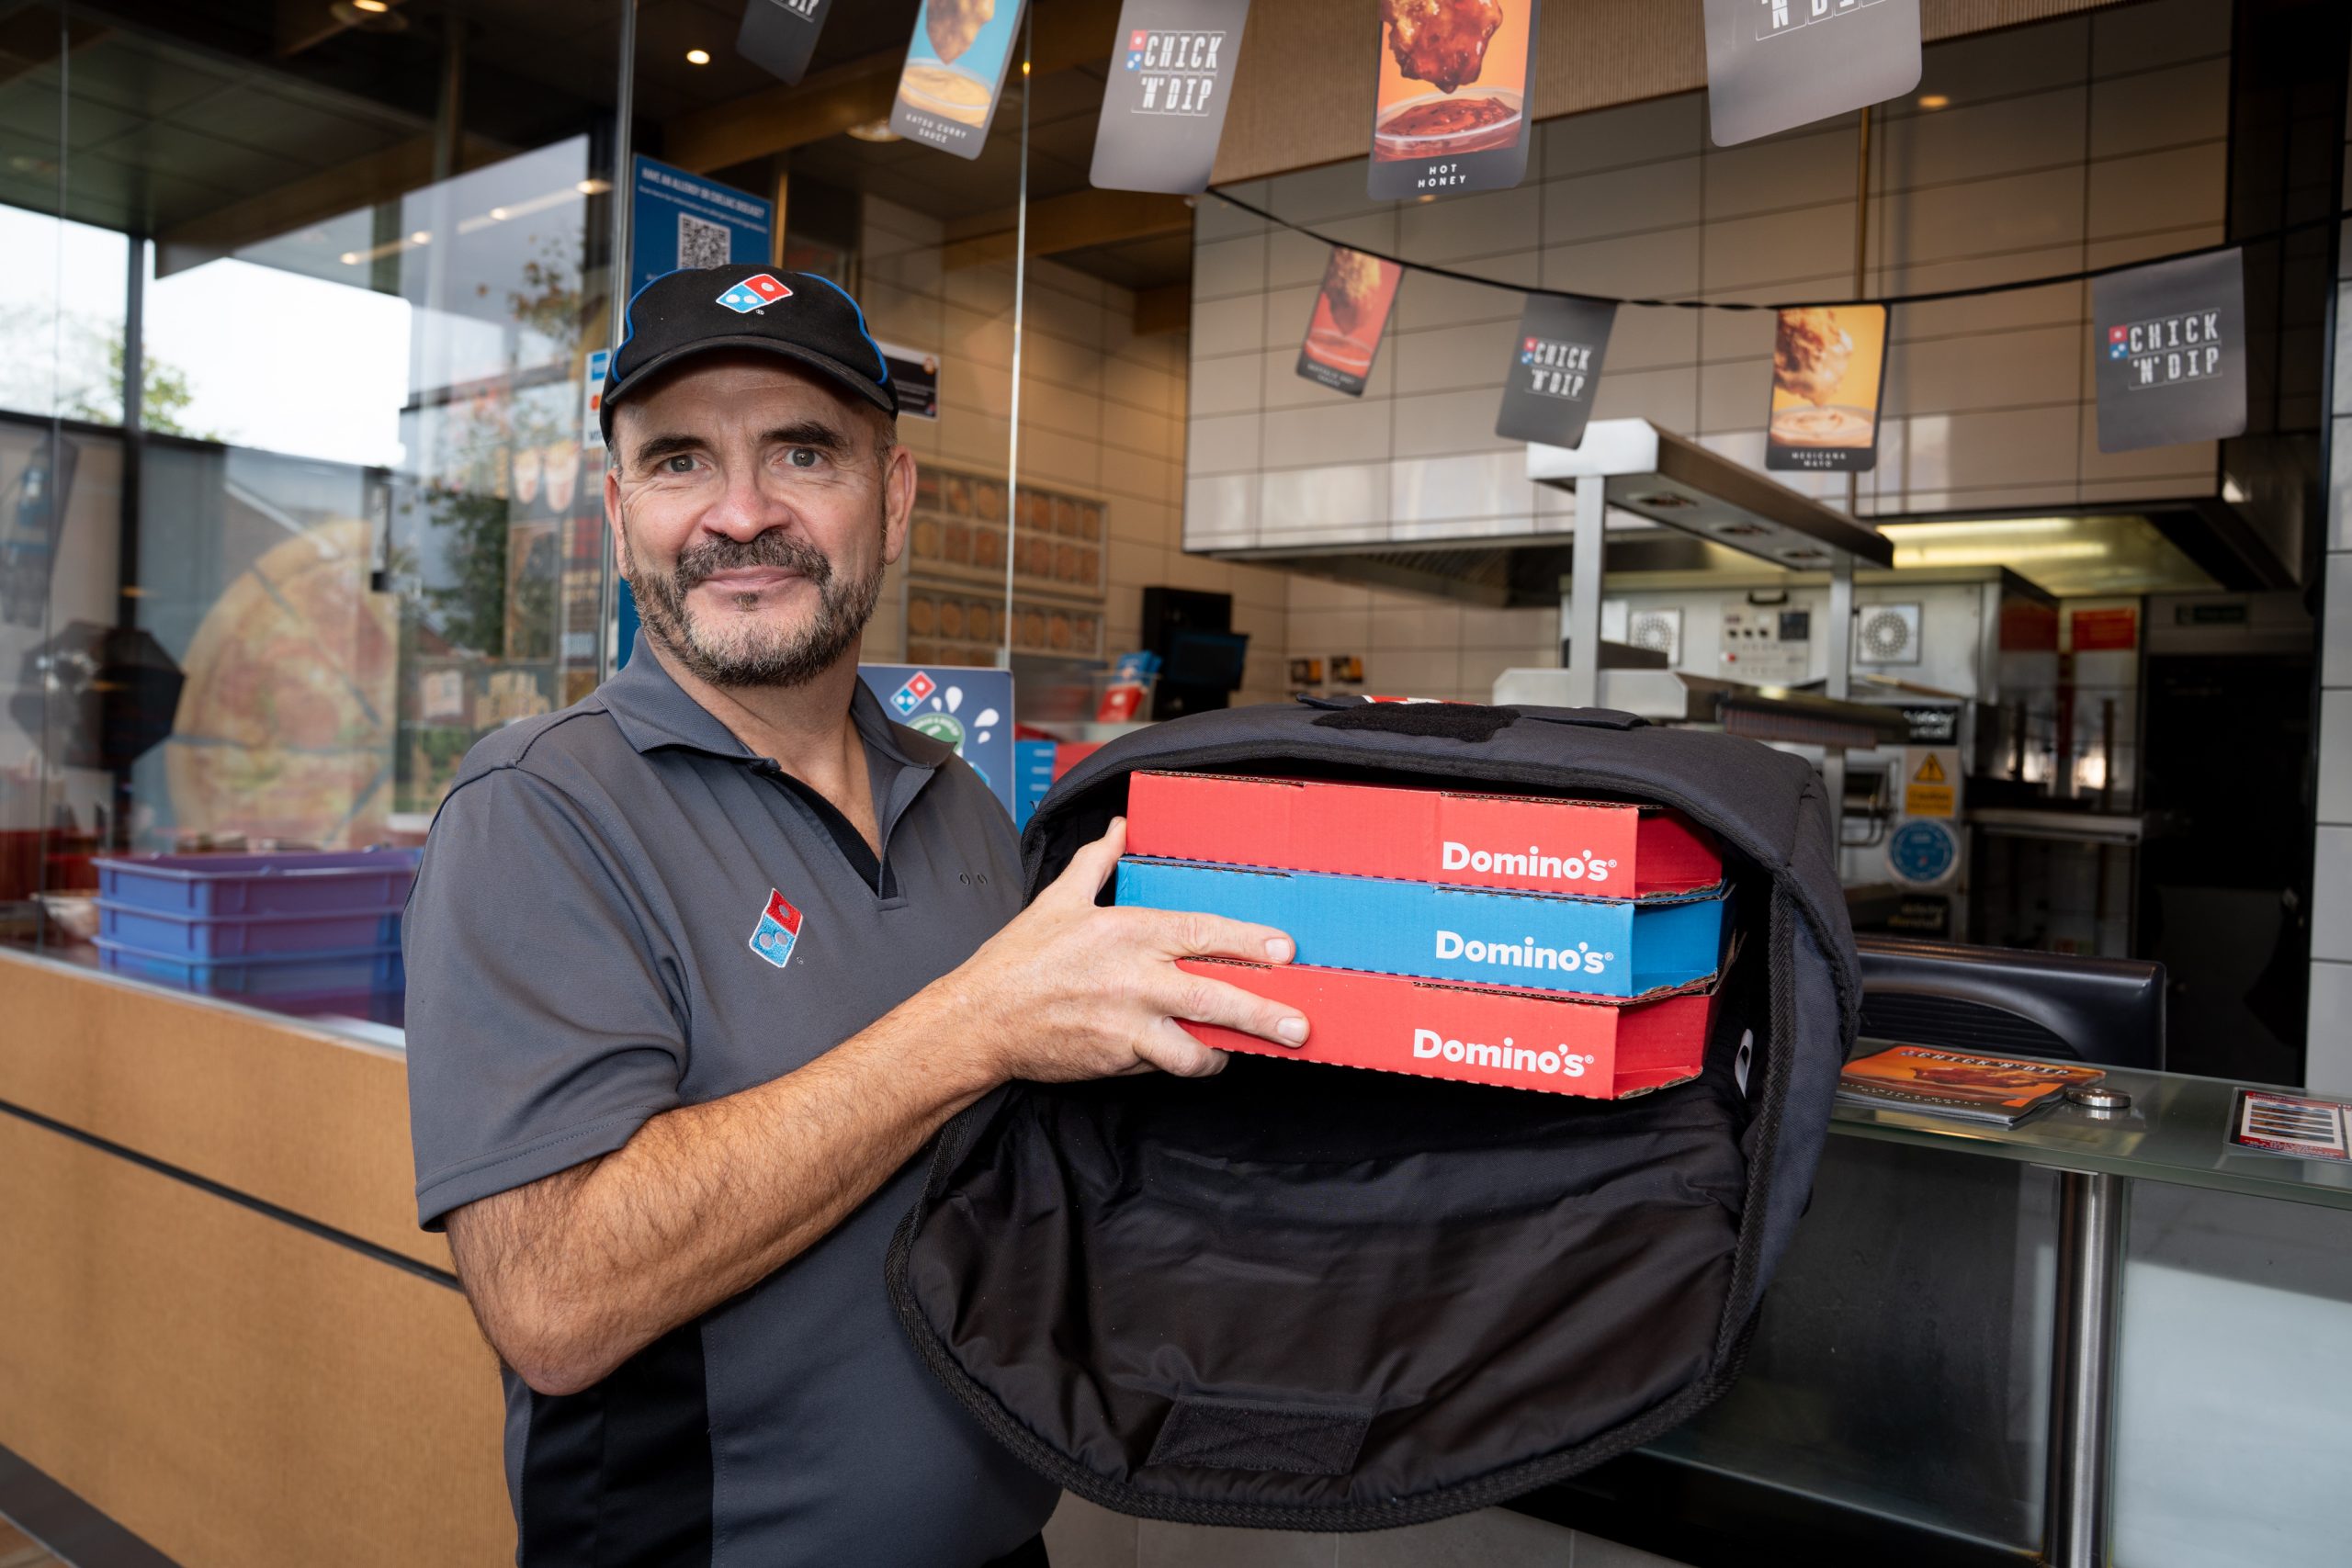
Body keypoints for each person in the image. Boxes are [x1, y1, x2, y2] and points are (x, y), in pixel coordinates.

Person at [401, 264, 1309, 1568]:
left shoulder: (963, 811)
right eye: (676, 464)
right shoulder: (538, 811)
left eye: (804, 452)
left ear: (892, 495)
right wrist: (974, 1028)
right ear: (618, 510)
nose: (741, 512)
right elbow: (557, 1297)